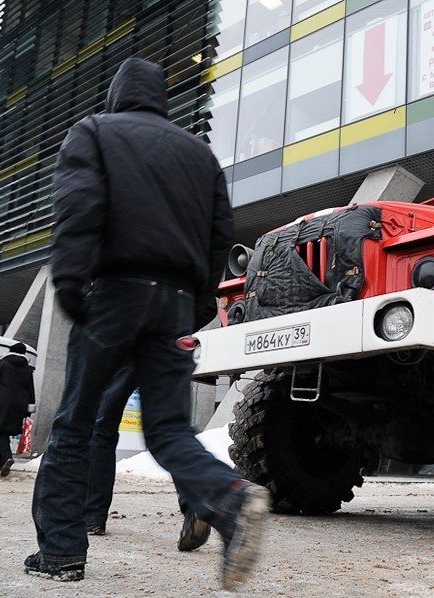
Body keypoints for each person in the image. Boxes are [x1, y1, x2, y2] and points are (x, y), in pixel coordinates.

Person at [25, 57, 269, 590]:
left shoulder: (94, 131)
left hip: (115, 291)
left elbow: (78, 208)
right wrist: (199, 306)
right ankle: (229, 498)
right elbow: (219, 236)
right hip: (175, 302)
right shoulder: (198, 154)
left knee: (75, 424)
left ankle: (61, 551)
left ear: (116, 94)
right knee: (168, 430)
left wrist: (70, 283)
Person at [83, 365, 210, 552]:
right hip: (166, 344)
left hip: (124, 344)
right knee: (171, 429)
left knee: (103, 427)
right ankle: (194, 504)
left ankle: (93, 515)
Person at [0, 342, 35, 477]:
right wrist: (30, 406)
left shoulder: (2, 364)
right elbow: (30, 389)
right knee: (5, 431)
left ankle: (7, 457)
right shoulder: (27, 369)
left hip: (1, 403)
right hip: (19, 405)